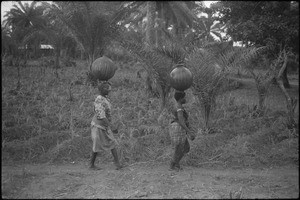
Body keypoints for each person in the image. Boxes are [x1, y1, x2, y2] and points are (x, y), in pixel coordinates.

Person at [89, 81, 123, 170]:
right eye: (107, 88)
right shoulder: (99, 99)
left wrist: (110, 125)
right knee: (96, 145)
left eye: (109, 88)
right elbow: (101, 115)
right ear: (101, 89)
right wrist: (111, 126)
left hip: (104, 125)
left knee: (112, 142)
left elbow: (107, 114)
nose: (109, 90)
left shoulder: (105, 98)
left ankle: (117, 163)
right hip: (98, 125)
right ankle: (91, 165)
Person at [169, 91, 195, 171]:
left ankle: (175, 164)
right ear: (180, 99)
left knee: (185, 147)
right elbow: (181, 121)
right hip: (178, 128)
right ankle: (173, 165)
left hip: (177, 128)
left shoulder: (178, 106)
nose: (185, 99)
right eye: (184, 97)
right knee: (181, 147)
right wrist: (189, 131)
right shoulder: (179, 108)